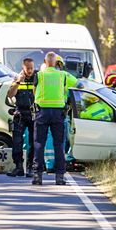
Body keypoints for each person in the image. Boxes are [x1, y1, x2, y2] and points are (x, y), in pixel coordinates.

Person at [32, 52, 77, 185]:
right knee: (59, 145)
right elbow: (79, 85)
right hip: (58, 113)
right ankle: (59, 177)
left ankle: (37, 177)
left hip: (42, 112)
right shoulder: (63, 75)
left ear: (45, 63)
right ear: (57, 62)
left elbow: (34, 91)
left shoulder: (39, 75)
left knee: (39, 143)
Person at [6, 57, 37, 177]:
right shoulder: (17, 78)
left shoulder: (37, 78)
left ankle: (31, 168)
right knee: (17, 141)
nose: (30, 70)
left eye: (31, 68)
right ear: (23, 68)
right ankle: (18, 167)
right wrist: (18, 82)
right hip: (20, 113)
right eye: (27, 68)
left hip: (34, 113)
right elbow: (10, 94)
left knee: (34, 142)